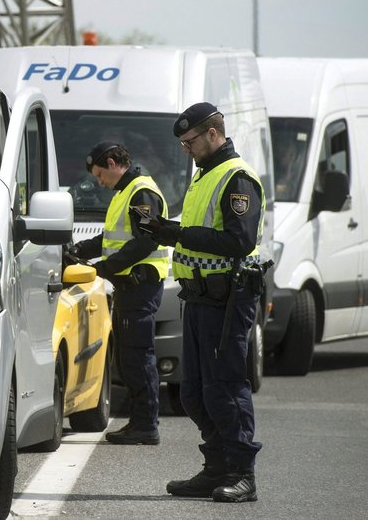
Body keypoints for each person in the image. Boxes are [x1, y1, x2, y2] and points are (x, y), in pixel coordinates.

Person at [139, 102, 264, 503]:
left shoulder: (236, 178)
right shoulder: (204, 175)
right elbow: (197, 233)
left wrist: (175, 234)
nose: (185, 149)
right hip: (199, 299)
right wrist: (163, 230)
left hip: (226, 300)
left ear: (213, 133)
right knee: (193, 392)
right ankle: (217, 468)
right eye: (181, 144)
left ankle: (243, 473)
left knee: (225, 388)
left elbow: (238, 241)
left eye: (189, 141)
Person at [69, 141, 169, 445]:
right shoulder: (126, 192)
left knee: (138, 358)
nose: (99, 181)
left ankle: (146, 426)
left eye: (100, 174)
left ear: (113, 163)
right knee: (130, 358)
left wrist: (105, 268)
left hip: (141, 286)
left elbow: (144, 242)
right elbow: (112, 237)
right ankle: (140, 422)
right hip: (131, 287)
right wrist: (78, 249)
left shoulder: (141, 192)